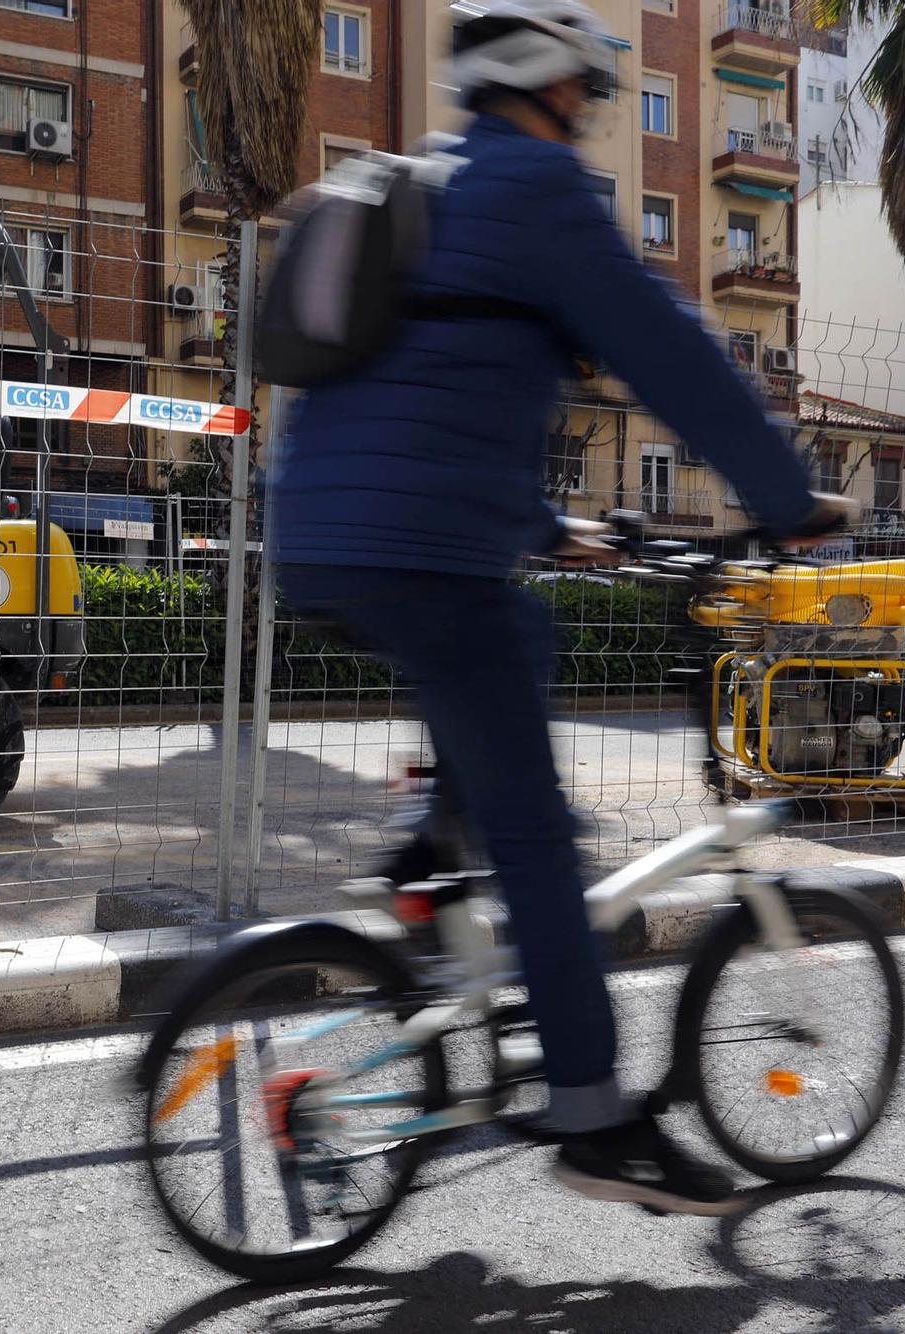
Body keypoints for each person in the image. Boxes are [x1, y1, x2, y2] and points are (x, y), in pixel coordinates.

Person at [271, 0, 850, 1215]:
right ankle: (591, 1117)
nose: (589, 117)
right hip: (419, 553)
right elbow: (670, 350)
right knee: (540, 840)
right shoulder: (535, 189)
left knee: (514, 636)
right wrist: (783, 498)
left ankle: (426, 857)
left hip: (326, 540)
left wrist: (555, 531)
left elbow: (429, 408)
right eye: (584, 96)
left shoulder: (417, 187)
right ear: (540, 89)